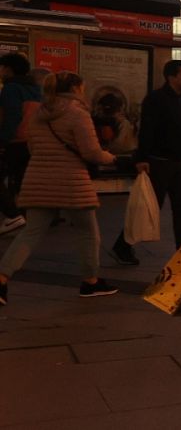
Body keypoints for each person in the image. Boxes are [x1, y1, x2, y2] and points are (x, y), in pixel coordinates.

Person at [0, 71, 119, 304]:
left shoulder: (38, 114)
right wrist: (112, 159)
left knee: (30, 234)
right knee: (87, 232)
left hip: (38, 179)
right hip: (71, 181)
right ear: (76, 88)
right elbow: (91, 152)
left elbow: (32, 147)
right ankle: (91, 282)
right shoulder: (78, 113)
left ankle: (2, 279)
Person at [112, 59, 181, 266]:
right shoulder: (156, 99)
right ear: (171, 77)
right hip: (160, 162)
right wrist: (142, 159)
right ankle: (123, 245)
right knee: (149, 207)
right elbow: (147, 131)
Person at [0, 52, 42, 235]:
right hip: (32, 142)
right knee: (23, 183)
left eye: (2, 67)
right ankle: (24, 222)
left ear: (9, 69)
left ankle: (13, 216)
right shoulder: (36, 89)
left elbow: (12, 115)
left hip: (14, 141)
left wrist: (3, 139)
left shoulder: (11, 88)